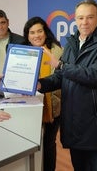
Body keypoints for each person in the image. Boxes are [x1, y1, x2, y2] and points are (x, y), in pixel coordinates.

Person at [37, 0, 97, 171]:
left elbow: (95, 76)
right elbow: (60, 77)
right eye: (80, 18)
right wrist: (38, 85)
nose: (84, 22)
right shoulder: (71, 44)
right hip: (73, 122)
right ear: (75, 20)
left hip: (94, 124)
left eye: (89, 17)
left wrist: (59, 64)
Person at [23, 16, 63, 171]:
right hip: (30, 105)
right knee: (32, 142)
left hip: (54, 106)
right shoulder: (23, 52)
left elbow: (62, 79)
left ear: (45, 32)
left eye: (39, 31)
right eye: (32, 32)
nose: (36, 35)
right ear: (28, 35)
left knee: (49, 143)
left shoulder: (58, 52)